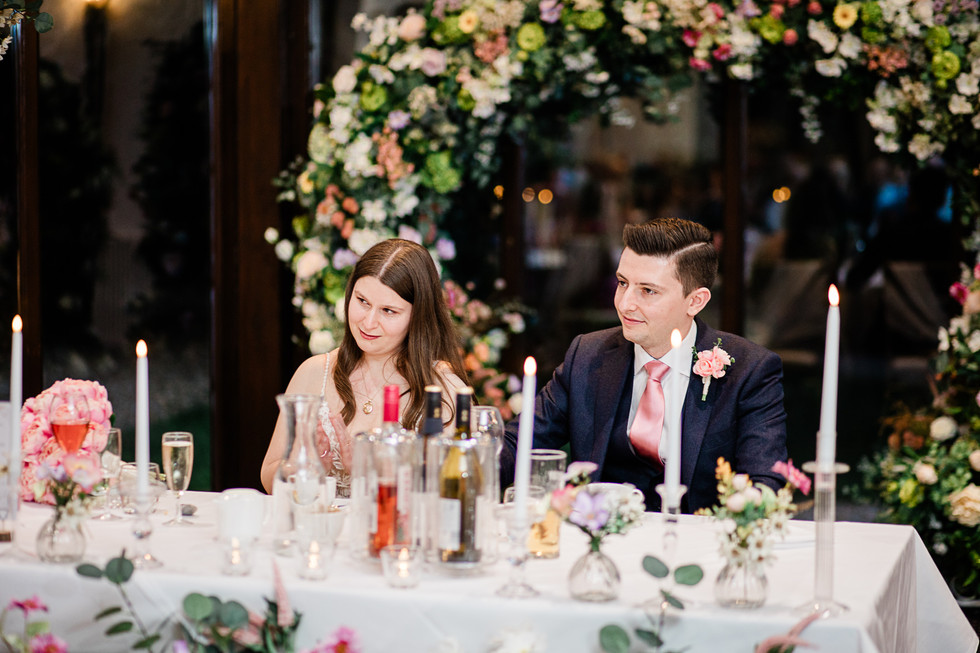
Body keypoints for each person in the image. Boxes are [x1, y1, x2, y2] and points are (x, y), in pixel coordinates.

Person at [501, 218, 788, 512]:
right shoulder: (587, 355)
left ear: (696, 301)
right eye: (623, 283)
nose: (625, 304)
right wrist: (466, 460)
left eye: (647, 291)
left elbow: (764, 485)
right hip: (602, 535)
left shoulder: (749, 371)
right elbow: (519, 443)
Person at [260, 238, 468, 495]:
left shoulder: (445, 393)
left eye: (388, 311)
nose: (368, 322)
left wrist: (369, 477)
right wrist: (303, 466)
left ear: (417, 316)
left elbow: (453, 498)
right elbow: (269, 477)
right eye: (362, 301)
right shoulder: (314, 373)